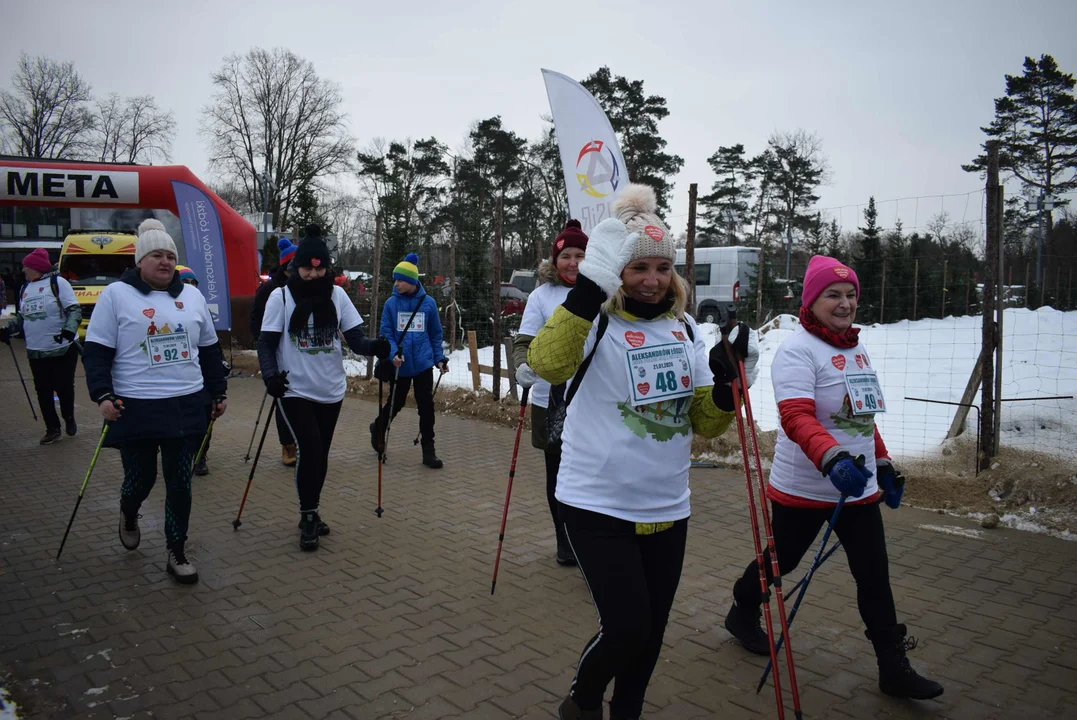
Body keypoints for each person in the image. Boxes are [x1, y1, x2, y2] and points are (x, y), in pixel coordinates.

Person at [528, 184, 759, 720]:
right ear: (618, 273)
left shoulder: (683, 328)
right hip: (596, 503)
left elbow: (703, 422)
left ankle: (625, 711)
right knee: (628, 626)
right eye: (638, 269)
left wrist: (727, 385)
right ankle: (583, 700)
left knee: (651, 633)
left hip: (667, 506)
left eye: (662, 268)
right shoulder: (595, 320)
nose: (652, 280)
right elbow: (548, 363)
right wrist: (590, 289)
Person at [722, 254, 944, 701]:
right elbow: (796, 417)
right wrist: (831, 460)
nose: (844, 304)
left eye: (850, 295)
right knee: (782, 561)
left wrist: (880, 462)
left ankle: (892, 666)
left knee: (874, 575)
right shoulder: (798, 351)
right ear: (812, 301)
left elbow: (863, 416)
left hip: (856, 487)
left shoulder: (855, 348)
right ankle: (744, 607)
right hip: (804, 487)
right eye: (833, 295)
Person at [82, 219, 228, 584]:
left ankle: (176, 550)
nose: (165, 262)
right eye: (156, 255)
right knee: (141, 478)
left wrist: (218, 391)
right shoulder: (116, 295)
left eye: (170, 256)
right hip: (136, 405)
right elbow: (96, 353)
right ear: (140, 260)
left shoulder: (191, 296)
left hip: (186, 403)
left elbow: (209, 350)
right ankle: (129, 511)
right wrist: (102, 395)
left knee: (180, 482)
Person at [257, 235, 389, 550]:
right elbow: (266, 343)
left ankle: (313, 509)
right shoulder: (282, 298)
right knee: (311, 451)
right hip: (294, 388)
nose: (314, 275)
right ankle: (307, 516)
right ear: (296, 268)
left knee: (322, 454)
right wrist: (270, 376)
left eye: (320, 269)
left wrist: (376, 347)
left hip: (330, 388)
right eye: (307, 269)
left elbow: (355, 340)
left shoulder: (338, 295)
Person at [512, 219, 588, 566]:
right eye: (566, 255)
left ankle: (591, 537)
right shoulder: (541, 296)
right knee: (556, 472)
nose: (573, 262)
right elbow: (524, 342)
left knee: (590, 470)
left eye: (581, 255)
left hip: (591, 397)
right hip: (550, 398)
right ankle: (565, 539)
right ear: (555, 260)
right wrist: (522, 366)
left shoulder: (602, 292)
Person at [370, 253, 449, 469]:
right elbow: (386, 333)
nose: (396, 283)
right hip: (400, 365)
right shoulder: (391, 304)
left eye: (401, 280)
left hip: (423, 364)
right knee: (396, 403)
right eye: (395, 279)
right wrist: (394, 353)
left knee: (426, 406)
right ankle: (378, 429)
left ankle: (429, 450)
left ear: (413, 281)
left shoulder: (428, 304)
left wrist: (439, 359)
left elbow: (435, 334)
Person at [0, 248, 82, 444]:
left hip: (62, 348)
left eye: (26, 267)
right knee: (43, 390)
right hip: (36, 350)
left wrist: (69, 330)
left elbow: (74, 310)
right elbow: (22, 317)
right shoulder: (25, 288)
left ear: (36, 268)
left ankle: (69, 418)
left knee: (63, 387)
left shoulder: (58, 283)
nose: (23, 270)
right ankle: (52, 428)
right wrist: (7, 329)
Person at [251, 237, 299, 466]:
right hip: (277, 354)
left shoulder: (305, 290)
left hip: (300, 352)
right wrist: (266, 346)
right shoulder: (269, 289)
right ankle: (287, 444)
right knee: (284, 400)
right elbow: (255, 323)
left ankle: (302, 441)